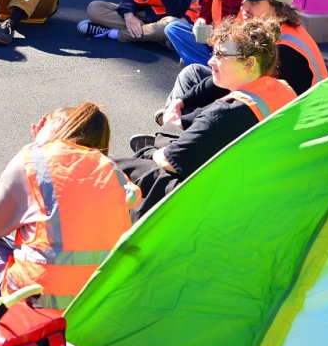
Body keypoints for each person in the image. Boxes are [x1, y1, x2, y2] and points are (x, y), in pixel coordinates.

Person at [0, 103, 139, 311]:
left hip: (39, 303)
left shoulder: (34, 162)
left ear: (57, 123)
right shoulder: (112, 171)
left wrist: (36, 145)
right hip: (97, 304)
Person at [119, 19, 296, 215]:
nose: (211, 60)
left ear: (249, 63)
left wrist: (152, 152)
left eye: (220, 54)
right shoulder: (281, 87)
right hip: (265, 189)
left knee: (125, 167)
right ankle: (166, 138)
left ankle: (157, 143)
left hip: (224, 202)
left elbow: (170, 162)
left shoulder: (225, 113)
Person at [155, 0, 327, 127]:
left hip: (290, 125)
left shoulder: (285, 50)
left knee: (218, 106)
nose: (244, 7)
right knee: (192, 73)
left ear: (277, 6)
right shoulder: (265, 28)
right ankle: (171, 128)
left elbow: (243, 101)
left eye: (254, 1)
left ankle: (174, 135)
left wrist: (186, 120)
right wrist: (181, 102)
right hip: (264, 105)